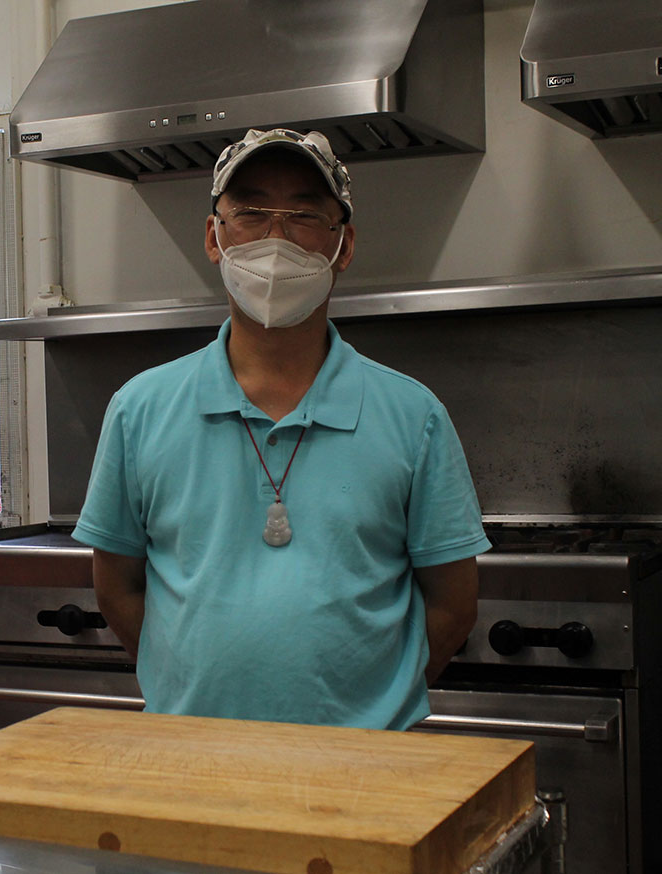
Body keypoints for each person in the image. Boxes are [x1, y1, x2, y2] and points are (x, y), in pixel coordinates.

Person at [73, 128, 487, 731]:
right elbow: (117, 592)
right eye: (250, 213)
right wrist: (192, 686)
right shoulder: (140, 409)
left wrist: (375, 704)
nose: (275, 239)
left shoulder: (412, 414)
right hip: (193, 752)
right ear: (213, 237)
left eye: (303, 215)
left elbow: (453, 606)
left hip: (366, 762)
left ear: (342, 246)